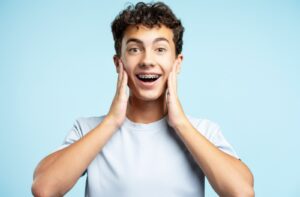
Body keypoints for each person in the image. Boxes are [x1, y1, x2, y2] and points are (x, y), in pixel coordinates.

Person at [31, 2, 254, 197]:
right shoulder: (87, 129)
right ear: (119, 64)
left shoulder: (203, 131)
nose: (147, 60)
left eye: (160, 49)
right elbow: (44, 188)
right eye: (135, 49)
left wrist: (181, 124)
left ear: (177, 64)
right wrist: (112, 122)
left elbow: (242, 192)